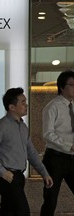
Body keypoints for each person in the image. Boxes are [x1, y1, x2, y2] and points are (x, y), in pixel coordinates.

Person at [0, 87, 53, 216]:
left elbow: (31, 152)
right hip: (8, 177)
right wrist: (2, 172)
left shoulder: (23, 126)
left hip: (19, 176)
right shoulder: (2, 126)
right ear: (12, 107)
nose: (26, 105)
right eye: (23, 102)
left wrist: (44, 173)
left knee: (7, 211)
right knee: (22, 211)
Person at [40, 70, 74, 216]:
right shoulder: (52, 106)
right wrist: (69, 145)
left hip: (72, 159)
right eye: (72, 85)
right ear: (61, 87)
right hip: (55, 159)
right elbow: (47, 134)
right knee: (50, 200)